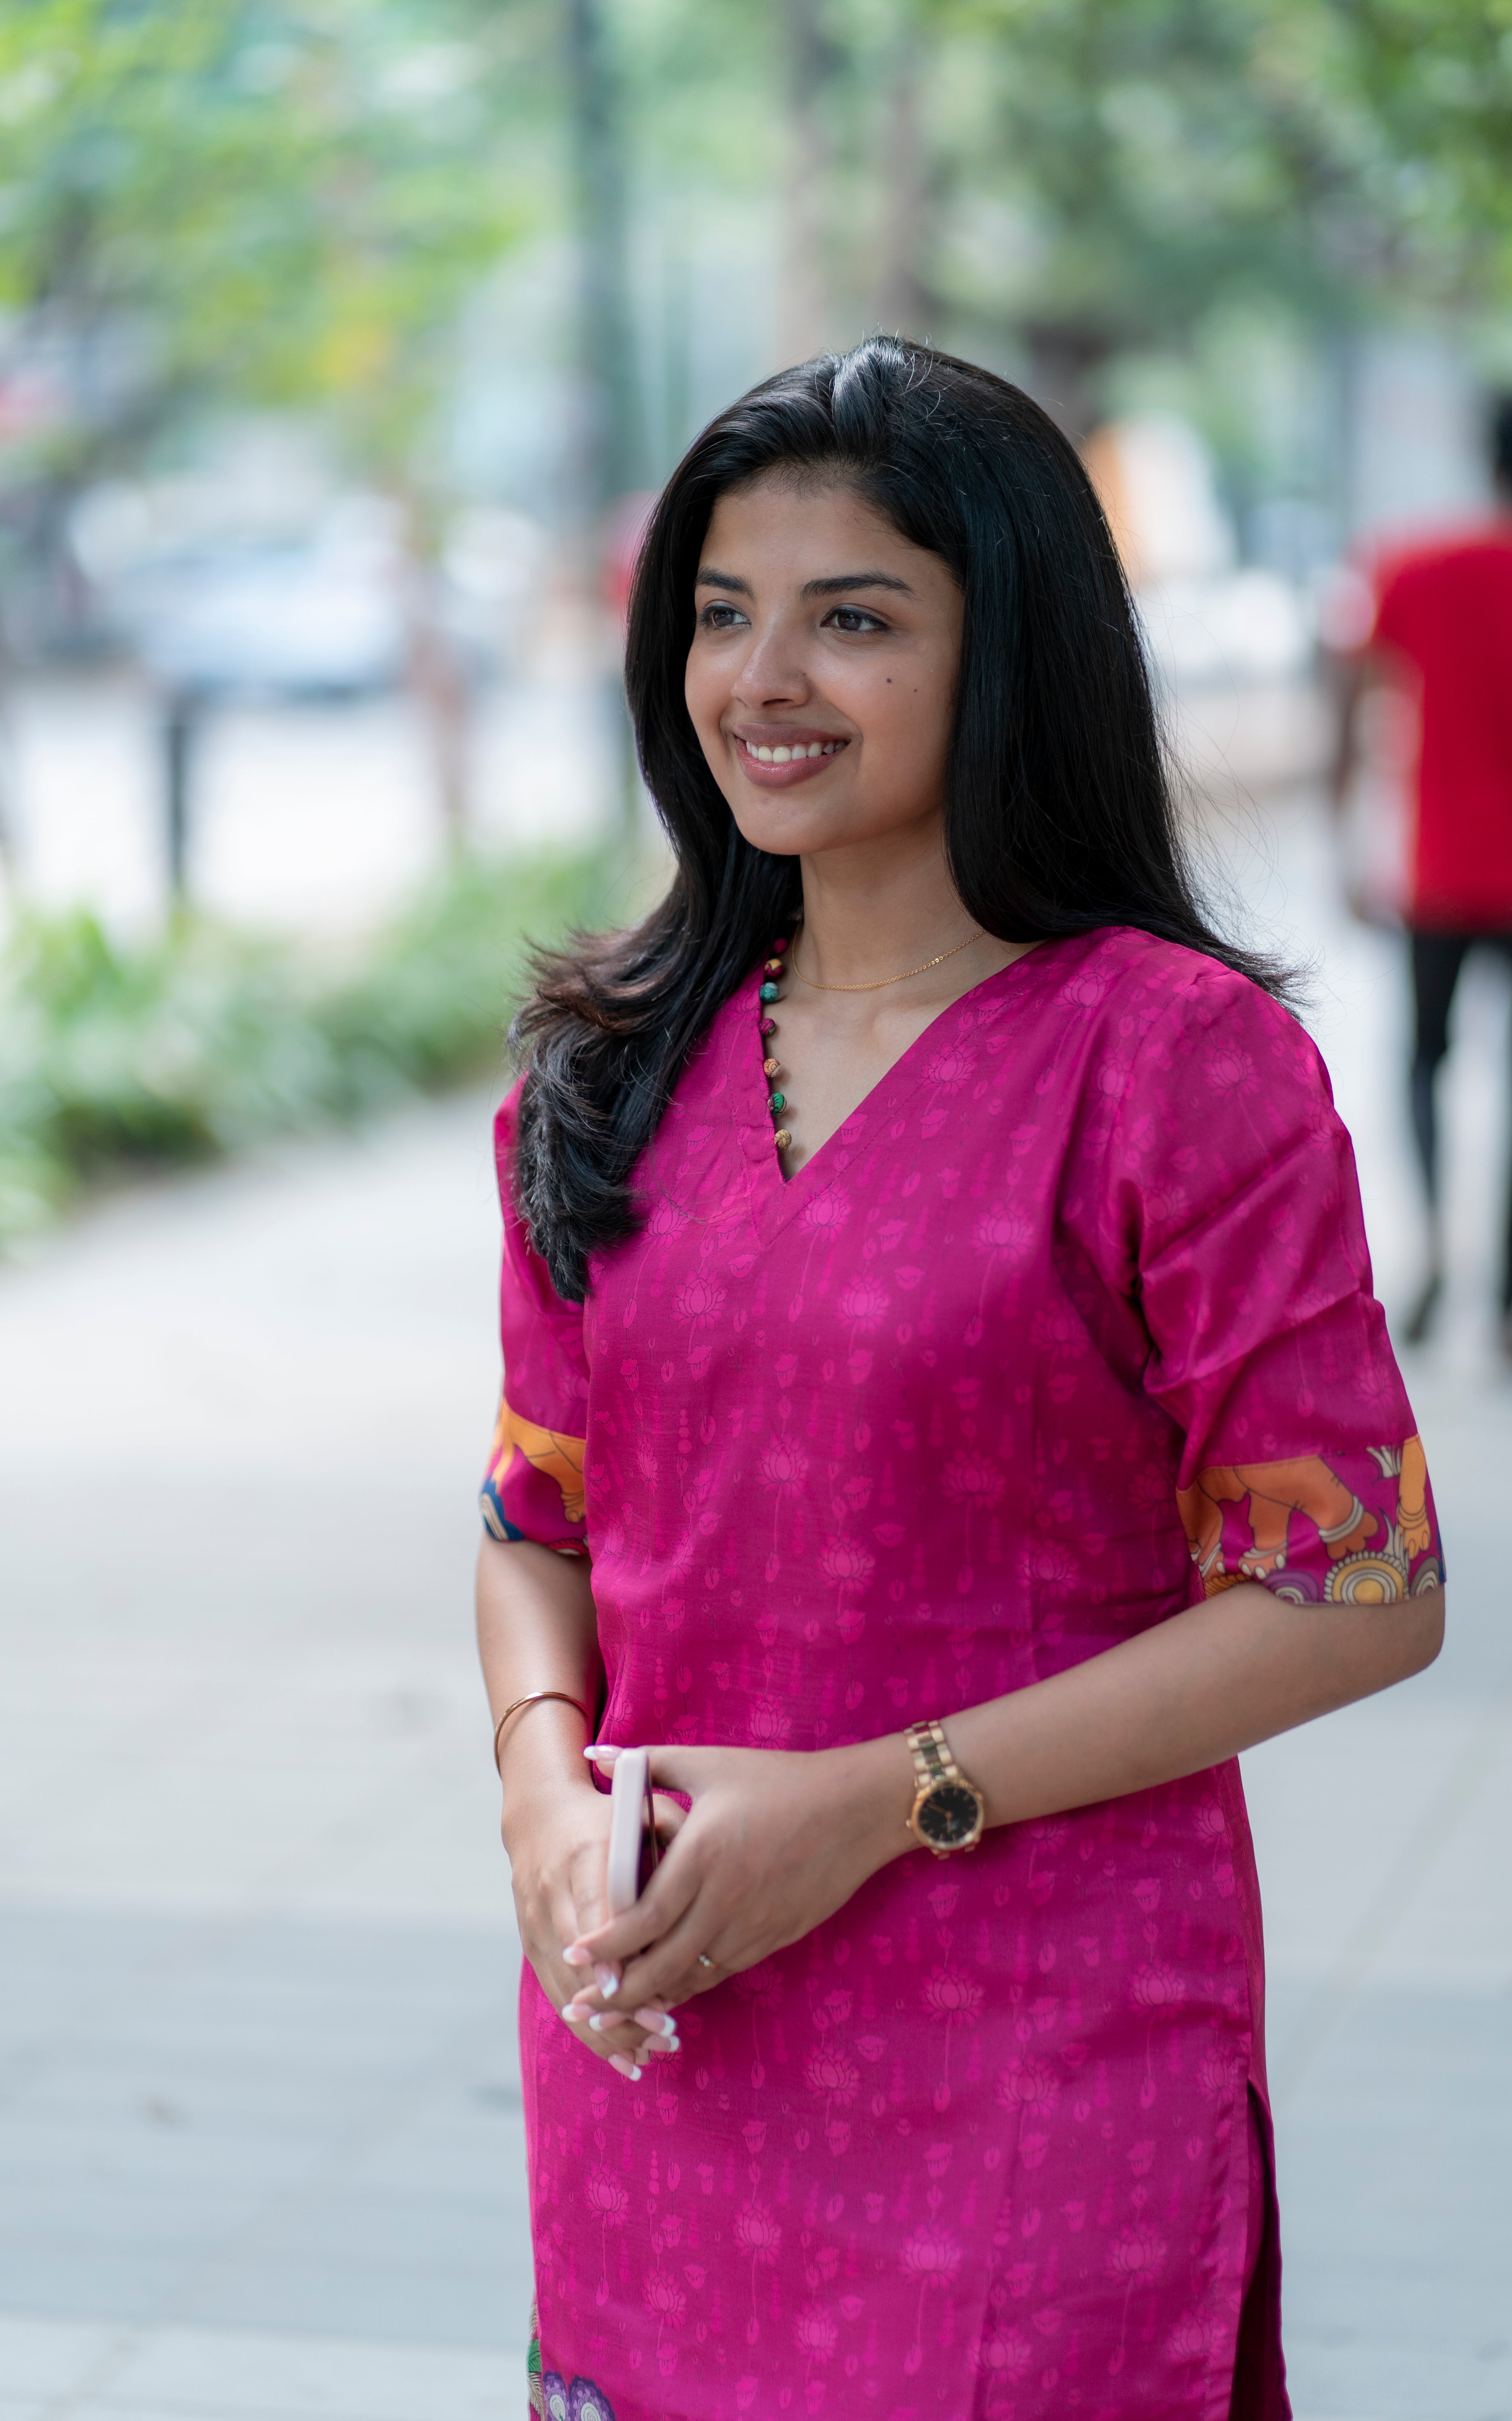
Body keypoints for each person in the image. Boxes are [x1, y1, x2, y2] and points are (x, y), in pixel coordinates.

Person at [476, 339, 1445, 2421]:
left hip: (1037, 2062)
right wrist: (542, 1794)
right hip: (665, 2047)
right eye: (722, 615)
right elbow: (532, 1522)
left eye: (855, 619)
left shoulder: (1175, 1065)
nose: (764, 680)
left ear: (1011, 654)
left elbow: (1358, 1585)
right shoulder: (609, 1075)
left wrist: (884, 1800)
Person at [1332, 391, 1512, 1363]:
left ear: (1482, 450)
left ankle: (1436, 1253)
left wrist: (1344, 835)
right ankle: (1507, 1310)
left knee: (1421, 1061)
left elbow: (1350, 695)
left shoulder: (1410, 567)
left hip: (1438, 867)